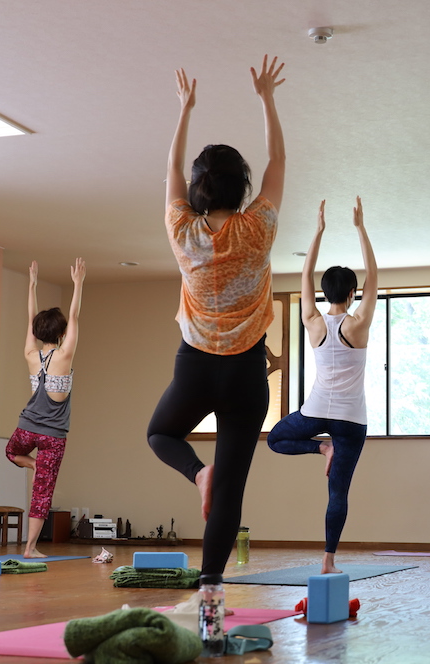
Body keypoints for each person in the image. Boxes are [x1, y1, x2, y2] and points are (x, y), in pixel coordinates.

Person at [147, 56, 285, 576]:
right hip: (247, 371)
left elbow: (170, 172)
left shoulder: (182, 230)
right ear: (242, 186)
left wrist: (184, 110)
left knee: (161, 434)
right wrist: (267, 98)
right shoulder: (258, 229)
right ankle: (210, 587)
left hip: (196, 366)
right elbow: (278, 160)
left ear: (198, 187)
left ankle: (197, 473)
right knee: (232, 489)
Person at [267, 197, 378, 574]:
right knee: (338, 493)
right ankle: (328, 559)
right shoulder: (358, 323)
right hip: (351, 419)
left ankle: (321, 448)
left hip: (314, 412)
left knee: (275, 439)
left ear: (325, 293)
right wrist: (360, 228)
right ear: (352, 294)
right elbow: (373, 275)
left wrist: (318, 232)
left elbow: (305, 275)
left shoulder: (312, 320)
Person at [5, 258, 85, 559]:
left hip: (26, 428)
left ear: (38, 334)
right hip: (53, 436)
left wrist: (32, 285)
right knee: (42, 491)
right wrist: (78, 284)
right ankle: (30, 548)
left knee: (11, 452)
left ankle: (34, 465)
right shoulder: (64, 356)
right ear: (62, 335)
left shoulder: (30, 354)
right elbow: (74, 316)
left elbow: (30, 319)